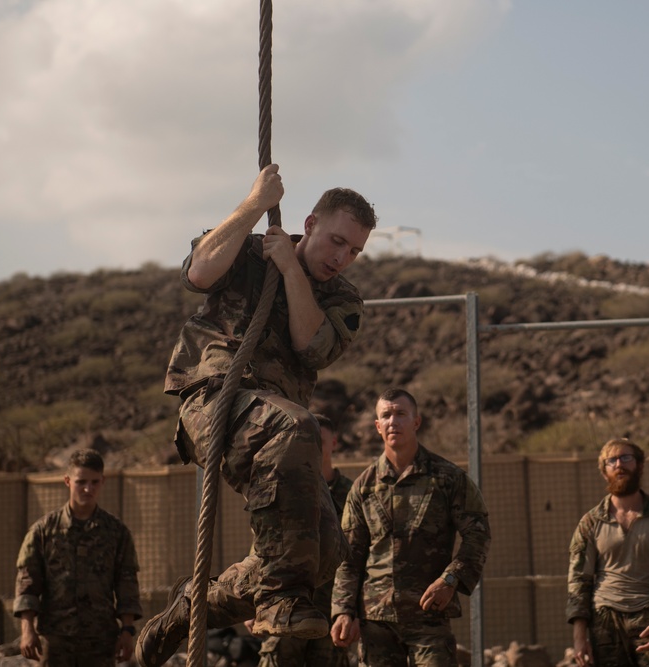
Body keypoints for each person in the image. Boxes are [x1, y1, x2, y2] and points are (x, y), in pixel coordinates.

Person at [136, 165, 378, 667]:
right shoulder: (247, 248)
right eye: (336, 241)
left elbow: (312, 347)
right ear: (309, 223)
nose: (342, 257)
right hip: (214, 400)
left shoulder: (343, 299)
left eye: (354, 250)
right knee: (298, 426)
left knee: (326, 550)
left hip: (273, 425)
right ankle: (278, 599)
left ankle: (185, 613)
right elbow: (197, 273)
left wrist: (291, 269)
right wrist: (253, 205)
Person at [330, 387, 491, 666]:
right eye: (386, 416)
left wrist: (451, 579)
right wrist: (343, 611)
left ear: (416, 421)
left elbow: (478, 534)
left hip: (428, 617)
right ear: (378, 427)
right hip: (376, 621)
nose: (394, 421)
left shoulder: (448, 479)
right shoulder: (363, 487)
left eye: (401, 414)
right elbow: (349, 558)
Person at [13, 448, 142, 666]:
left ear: (103, 481)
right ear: (67, 481)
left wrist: (127, 631)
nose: (87, 488)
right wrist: (27, 630)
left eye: (94, 482)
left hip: (100, 641)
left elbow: (127, 584)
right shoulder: (43, 531)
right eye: (81, 481)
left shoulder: (116, 532)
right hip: (56, 641)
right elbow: (27, 584)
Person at [566, 438, 649, 667]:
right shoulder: (590, 523)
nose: (619, 464)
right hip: (605, 623)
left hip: (648, 619)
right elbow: (578, 580)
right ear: (604, 472)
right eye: (611, 460)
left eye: (626, 458)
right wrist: (580, 638)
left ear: (640, 466)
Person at [246, 412, 354, 667]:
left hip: (330, 610)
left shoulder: (351, 494)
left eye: (320, 440)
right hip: (285, 605)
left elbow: (358, 555)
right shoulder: (287, 489)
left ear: (333, 444)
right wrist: (253, 601)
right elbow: (264, 548)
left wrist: (350, 610)